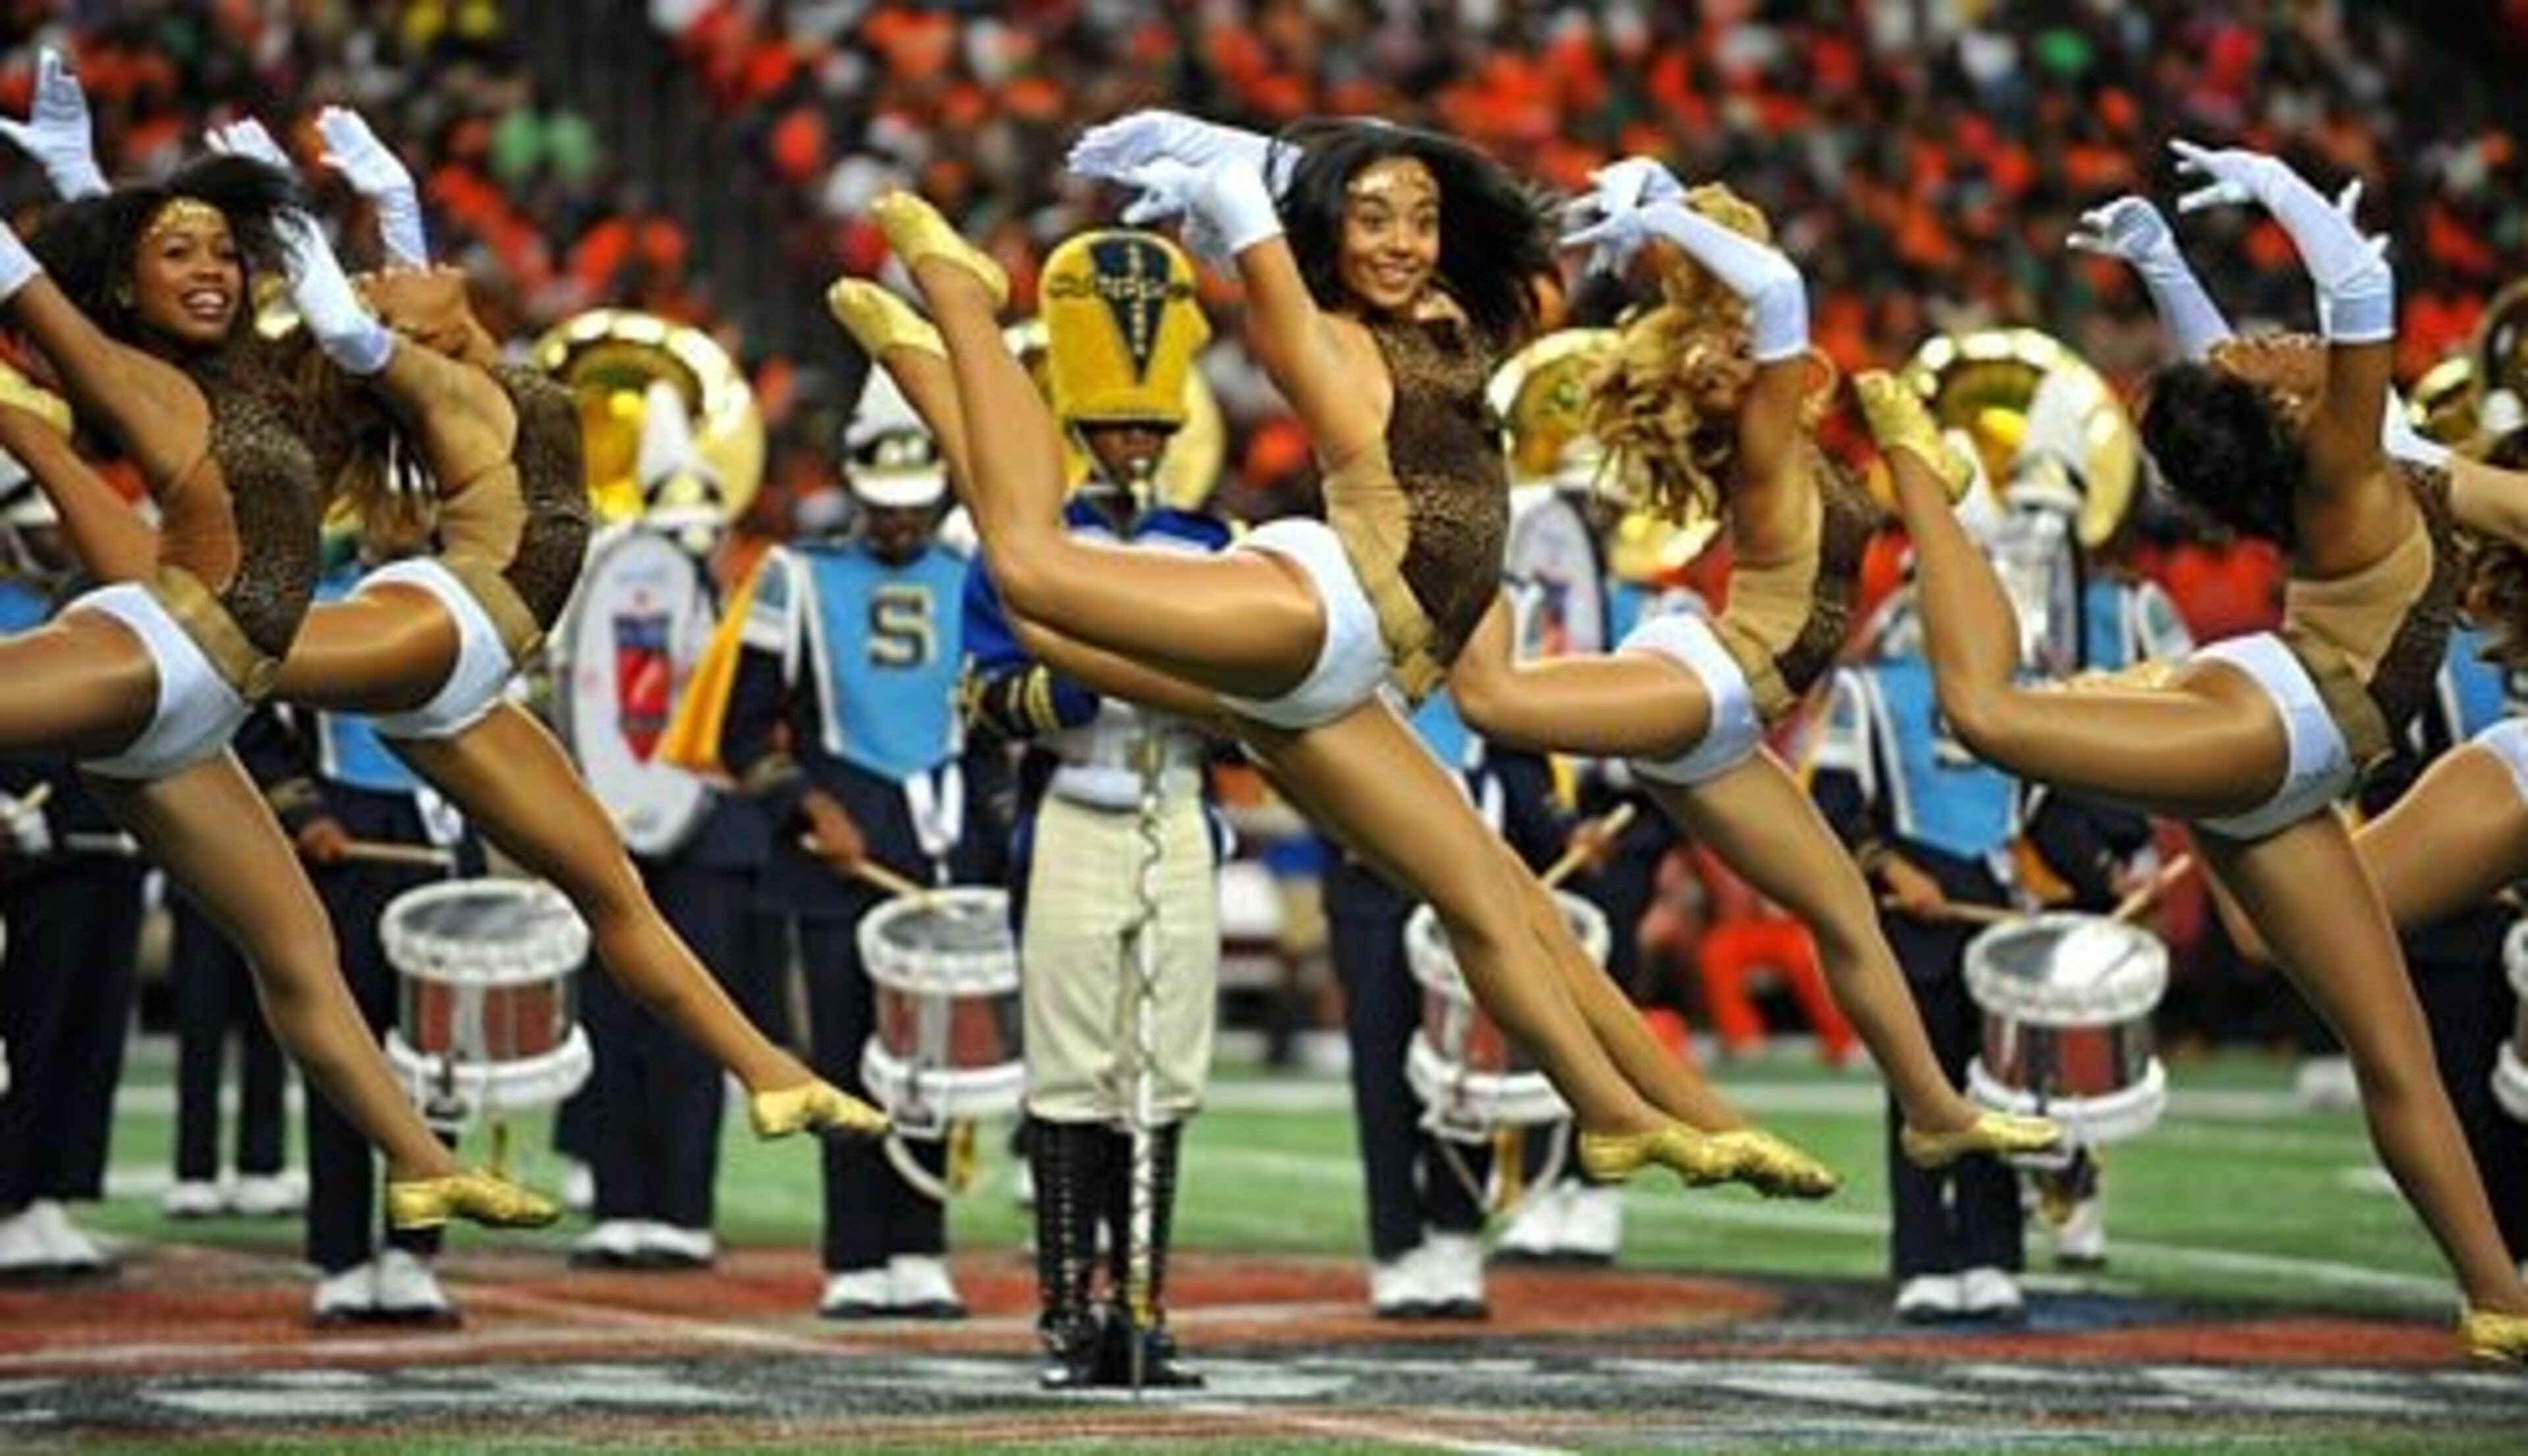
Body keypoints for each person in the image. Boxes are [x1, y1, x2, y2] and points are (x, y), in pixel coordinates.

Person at [861, 111, 1831, 1199]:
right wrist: (1226, 165)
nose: (1404, 239)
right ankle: (956, 309)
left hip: (1352, 682)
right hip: (1322, 611)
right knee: (1033, 576)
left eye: (1420, 218)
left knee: (1497, 898)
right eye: (1372, 220)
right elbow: (1258, 190)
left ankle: (1643, 1116)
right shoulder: (1310, 332)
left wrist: (1660, 200)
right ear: (1327, 229)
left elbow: (1401, 193)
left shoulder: (1459, 317)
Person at [1858, 140, 2528, 1361]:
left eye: (2267, 341)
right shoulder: (2343, 459)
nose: (2269, 341)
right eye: (2276, 350)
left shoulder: (2364, 456)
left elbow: (2227, 369)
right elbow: (2357, 298)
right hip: (2266, 729)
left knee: (2394, 1053)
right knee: (1988, 710)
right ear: (2292, 406)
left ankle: (2501, 1300)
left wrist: (2166, 257)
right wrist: (2281, 191)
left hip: (2292, 750)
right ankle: (1922, 470)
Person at [1435, 158, 2061, 1170]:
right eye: (1714, 356)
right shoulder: (1763, 440)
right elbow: (1774, 289)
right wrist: (1671, 214)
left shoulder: (1785, 433)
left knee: (1844, 910)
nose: (1735, 357)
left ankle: (1936, 1112)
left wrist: (1659, 205)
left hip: (1731, 727)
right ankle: (1456, 490)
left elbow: (1743, 281)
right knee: (1492, 695)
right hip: (1711, 679)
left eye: (1730, 348)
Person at [0, 98, 544, 1230]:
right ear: (122, 288)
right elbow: (35, 279)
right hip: (153, 652)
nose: (214, 272)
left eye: (225, 255)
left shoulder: (269, 381)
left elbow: (403, 337)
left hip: (205, 717)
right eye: (178, 255)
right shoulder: (134, 377)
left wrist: (382, 208)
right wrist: (75, 198)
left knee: (301, 956)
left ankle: (421, 1159)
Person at [867, 227, 1230, 1384]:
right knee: (1073, 1068)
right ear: (1079, 429)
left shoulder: (1213, 545)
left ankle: (1151, 1306)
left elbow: (1250, 697)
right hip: (1076, 800)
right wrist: (1080, 679)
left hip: (1177, 807)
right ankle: (1073, 1313)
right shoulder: (1025, 543)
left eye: (1152, 428)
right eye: (1120, 426)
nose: (1136, 445)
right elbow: (980, 694)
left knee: (1166, 1067)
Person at [716, 371, 993, 1320]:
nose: (902, 526)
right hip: (835, 860)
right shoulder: (796, 575)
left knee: (930, 1058)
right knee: (844, 1054)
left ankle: (922, 1248)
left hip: (942, 852)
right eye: (886, 507)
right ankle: (853, 1257)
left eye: (918, 508)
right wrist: (803, 805)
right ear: (856, 487)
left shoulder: (977, 574)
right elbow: (740, 734)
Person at [1812, 581, 2032, 1323]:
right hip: (1915, 925)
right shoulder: (1868, 689)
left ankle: (1993, 1256)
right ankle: (1924, 1259)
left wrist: (2104, 873)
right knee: (1920, 1091)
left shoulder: (2020, 690)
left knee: (1997, 1092)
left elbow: (2053, 805)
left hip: (1999, 918)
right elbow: (1831, 801)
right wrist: (1891, 867)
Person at [0, 438, 145, 1282]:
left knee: (91, 1020)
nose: (54, 540)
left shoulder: (94, 600)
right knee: (31, 1019)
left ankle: (53, 1191)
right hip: (20, 844)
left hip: (96, 828)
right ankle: (11, 1192)